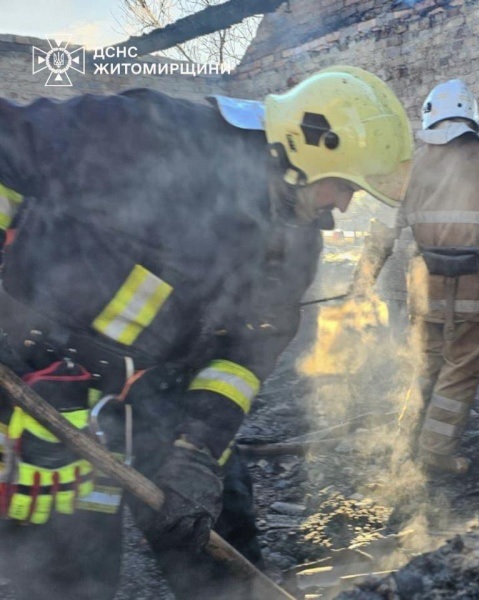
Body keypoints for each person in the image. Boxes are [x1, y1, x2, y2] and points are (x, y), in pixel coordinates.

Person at [0, 66, 412, 599]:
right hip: (49, 382)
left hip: (166, 392)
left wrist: (197, 449)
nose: (343, 205)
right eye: (344, 186)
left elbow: (247, 351)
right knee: (69, 573)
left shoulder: (296, 241)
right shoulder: (152, 134)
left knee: (220, 557)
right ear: (306, 147)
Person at [354, 79, 479, 474]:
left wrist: (363, 279)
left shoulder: (414, 164)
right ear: (472, 117)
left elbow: (386, 227)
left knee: (425, 364)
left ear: (429, 116)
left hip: (425, 285)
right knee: (459, 371)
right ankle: (436, 454)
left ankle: (407, 444)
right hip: (474, 282)